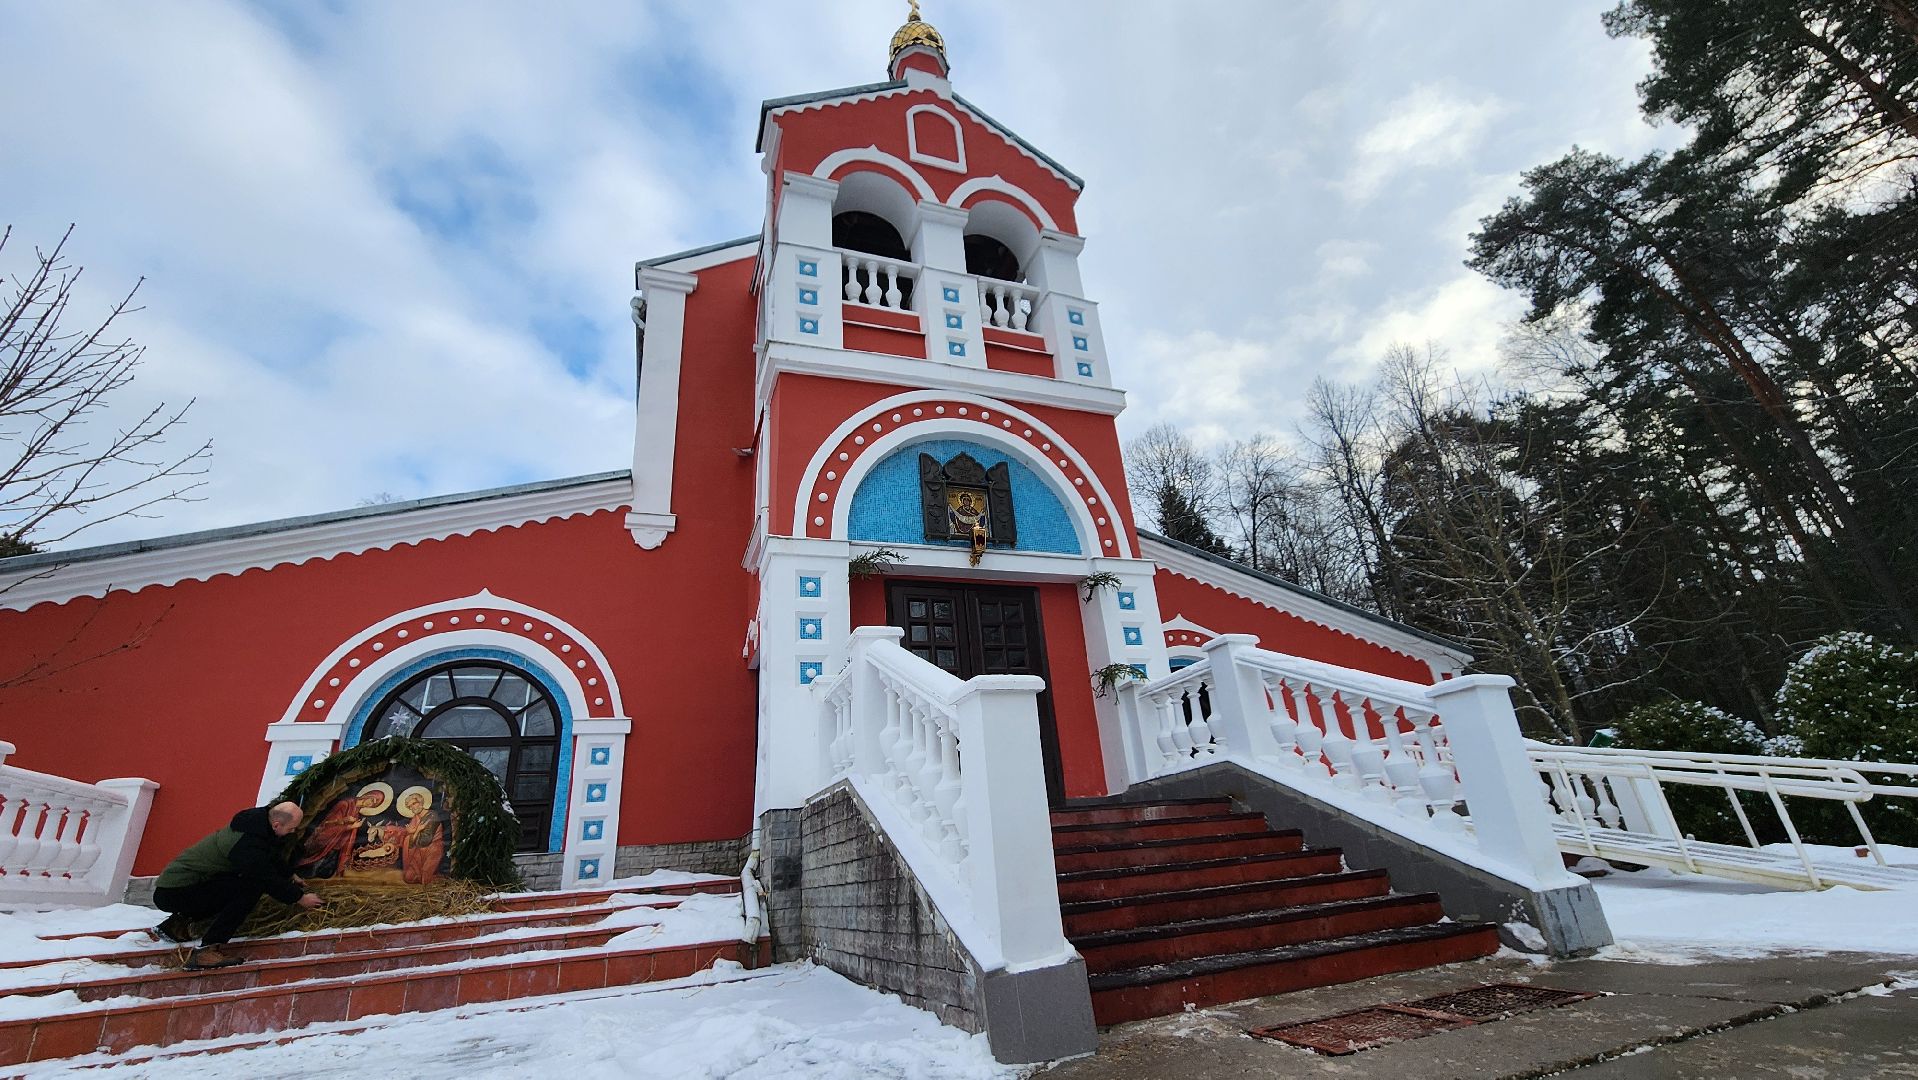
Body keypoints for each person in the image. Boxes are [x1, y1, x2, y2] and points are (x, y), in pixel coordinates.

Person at [152, 802, 324, 969]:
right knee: (250, 887)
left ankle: (176, 924)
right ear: (277, 825)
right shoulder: (245, 843)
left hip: (185, 886)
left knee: (240, 883)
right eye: (291, 828)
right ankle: (206, 950)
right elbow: (265, 876)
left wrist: (289, 874)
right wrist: (300, 898)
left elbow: (268, 855)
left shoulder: (257, 826)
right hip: (174, 891)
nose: (292, 832)